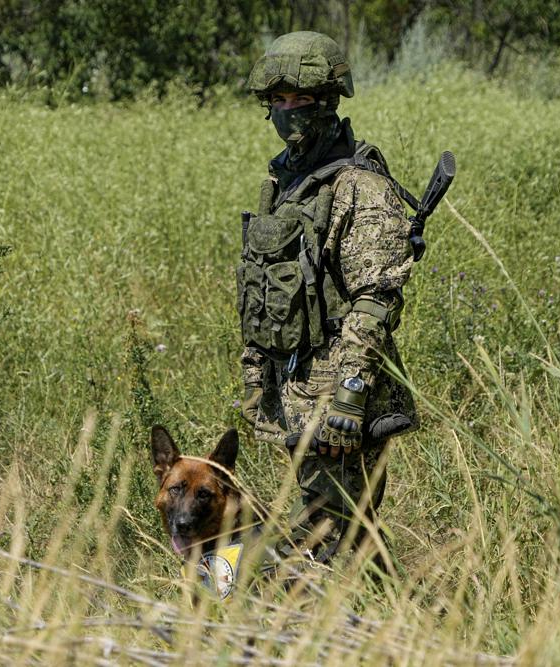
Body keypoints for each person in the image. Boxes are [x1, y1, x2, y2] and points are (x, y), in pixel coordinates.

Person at [236, 30, 418, 564]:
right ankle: (406, 625)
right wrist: (257, 379)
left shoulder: (359, 185)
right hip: (295, 391)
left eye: (303, 100)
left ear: (329, 101)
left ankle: (246, 603)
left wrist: (349, 394)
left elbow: (375, 298)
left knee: (325, 532)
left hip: (341, 399)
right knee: (347, 531)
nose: (288, 112)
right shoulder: (287, 183)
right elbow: (267, 292)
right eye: (279, 101)